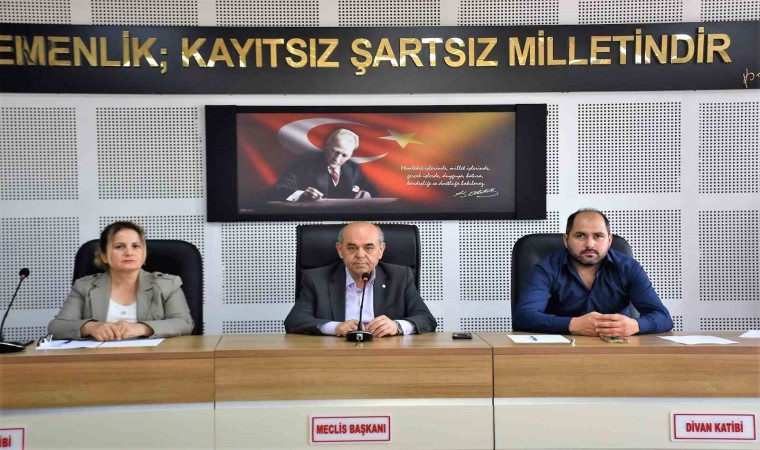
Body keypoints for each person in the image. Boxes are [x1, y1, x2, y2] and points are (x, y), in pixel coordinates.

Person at [513, 208, 672, 337]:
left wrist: (635, 325)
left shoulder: (628, 268)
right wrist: (573, 324)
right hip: (560, 352)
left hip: (616, 350)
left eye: (598, 236)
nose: (590, 244)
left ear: (609, 241)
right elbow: (523, 317)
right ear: (566, 240)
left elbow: (663, 318)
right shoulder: (546, 269)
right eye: (580, 236)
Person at [48, 221, 194, 341]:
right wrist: (91, 327)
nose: (129, 253)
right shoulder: (84, 287)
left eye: (136, 246)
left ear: (144, 254)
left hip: (153, 359)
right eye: (119, 247)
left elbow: (184, 324)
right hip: (98, 360)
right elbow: (56, 327)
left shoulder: (167, 285)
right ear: (104, 256)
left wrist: (141, 328)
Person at [284, 221, 436, 336]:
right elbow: (295, 321)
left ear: (381, 250)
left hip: (386, 354)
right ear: (340, 250)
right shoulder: (317, 279)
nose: (360, 255)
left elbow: (426, 319)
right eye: (352, 248)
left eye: (369, 247)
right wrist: (335, 327)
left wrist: (397, 326)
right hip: (334, 354)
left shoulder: (400, 276)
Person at [266, 128, 378, 202]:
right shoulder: (304, 163)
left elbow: (373, 192)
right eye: (335, 151)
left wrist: (367, 195)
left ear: (351, 155)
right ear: (327, 146)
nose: (337, 159)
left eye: (344, 155)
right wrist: (302, 195)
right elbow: (279, 190)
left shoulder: (353, 168)